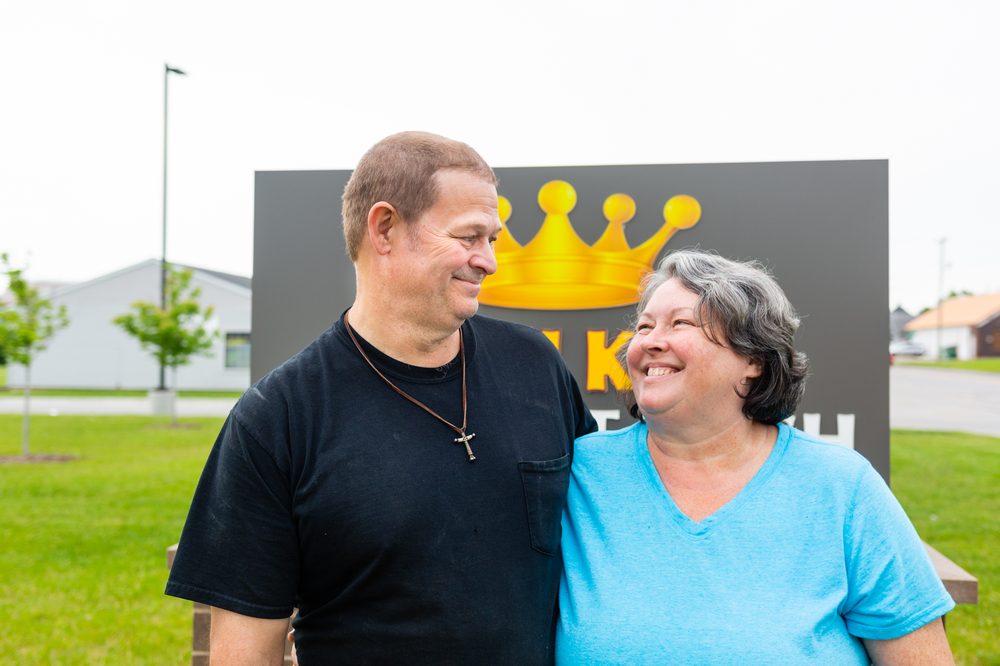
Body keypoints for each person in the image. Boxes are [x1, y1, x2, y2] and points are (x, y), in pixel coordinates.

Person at [166, 131, 597, 664]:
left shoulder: (535, 365)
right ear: (385, 228)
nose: (488, 261)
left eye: (492, 239)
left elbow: (607, 534)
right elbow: (244, 653)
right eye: (469, 236)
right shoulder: (278, 418)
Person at [557, 250, 955, 664]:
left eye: (680, 323)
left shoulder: (841, 486)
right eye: (644, 326)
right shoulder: (577, 474)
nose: (650, 341)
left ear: (753, 359)